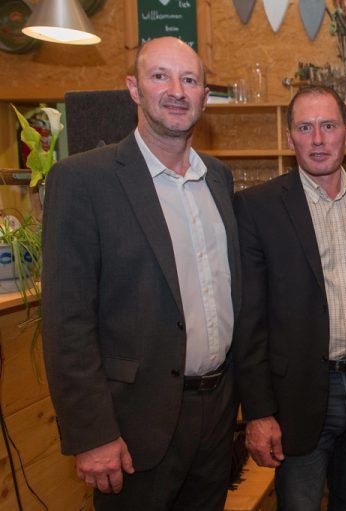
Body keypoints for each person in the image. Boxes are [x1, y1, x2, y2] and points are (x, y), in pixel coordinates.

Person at [42, 37, 240, 510]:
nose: (177, 90)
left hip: (216, 416)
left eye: (189, 80)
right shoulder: (83, 180)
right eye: (160, 76)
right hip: (133, 427)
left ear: (204, 96)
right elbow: (67, 321)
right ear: (133, 88)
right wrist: (92, 434)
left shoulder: (218, 178)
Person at [233, 85, 346, 511]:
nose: (318, 139)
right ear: (290, 137)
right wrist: (258, 412)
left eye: (328, 125)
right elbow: (249, 320)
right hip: (300, 393)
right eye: (305, 128)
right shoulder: (257, 207)